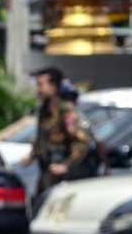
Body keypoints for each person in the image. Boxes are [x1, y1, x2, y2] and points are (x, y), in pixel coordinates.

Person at [22, 67, 92, 201]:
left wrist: (66, 165)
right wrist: (32, 155)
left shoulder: (65, 110)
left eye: (41, 84)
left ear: (54, 86)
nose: (39, 89)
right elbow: (42, 138)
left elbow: (81, 141)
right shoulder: (44, 110)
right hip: (46, 170)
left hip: (62, 174)